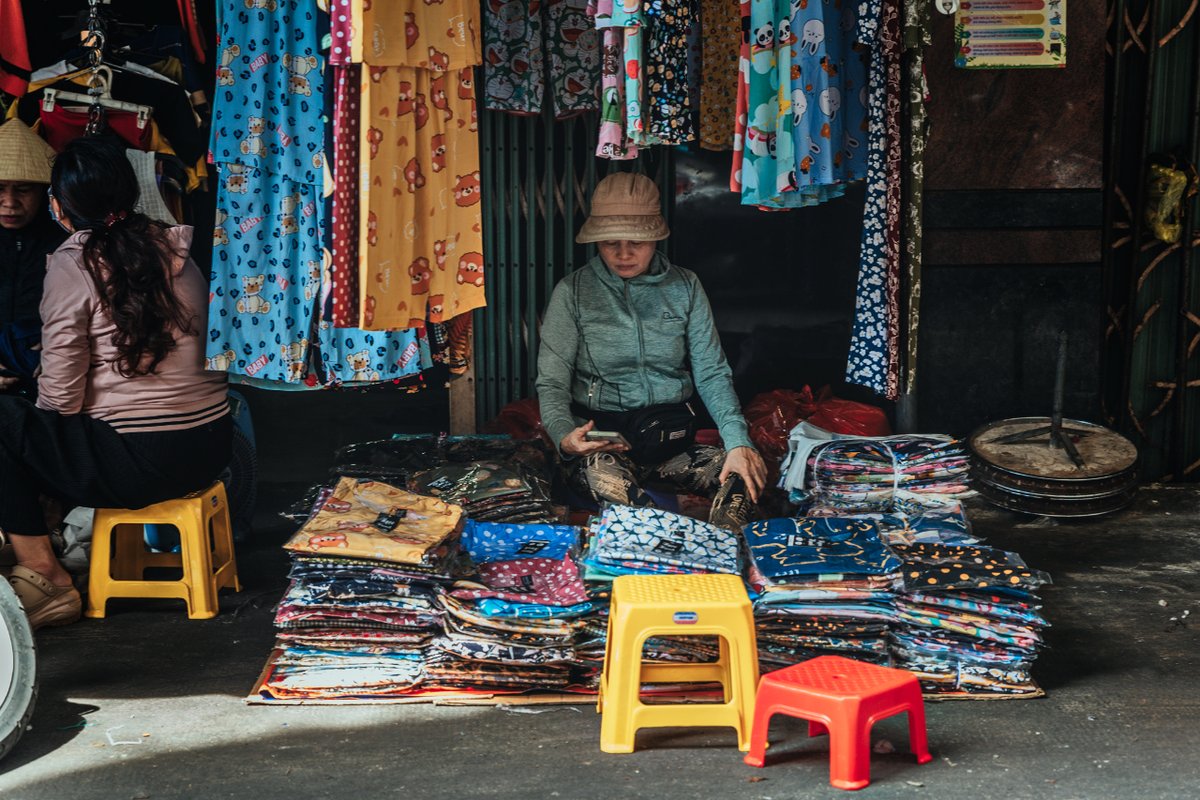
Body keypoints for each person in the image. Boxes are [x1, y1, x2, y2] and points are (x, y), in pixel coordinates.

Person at [1, 136, 231, 630]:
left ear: (59, 207)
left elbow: (60, 397)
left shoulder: (74, 263)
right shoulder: (174, 247)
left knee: (5, 422)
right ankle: (45, 543)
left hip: (141, 463)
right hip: (211, 447)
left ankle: (45, 577)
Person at [536, 172, 767, 529]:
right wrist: (565, 436)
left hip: (671, 441)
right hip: (603, 446)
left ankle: (718, 564)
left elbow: (711, 372)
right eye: (610, 242)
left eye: (637, 242)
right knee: (631, 509)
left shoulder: (685, 286)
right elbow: (551, 382)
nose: (623, 254)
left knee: (744, 481)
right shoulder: (573, 293)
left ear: (656, 237)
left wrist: (738, 441)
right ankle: (661, 555)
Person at [0, 119, 67, 393]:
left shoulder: (66, 241)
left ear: (43, 191)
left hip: (46, 376)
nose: (10, 202)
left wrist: (56, 348)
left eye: (23, 189)